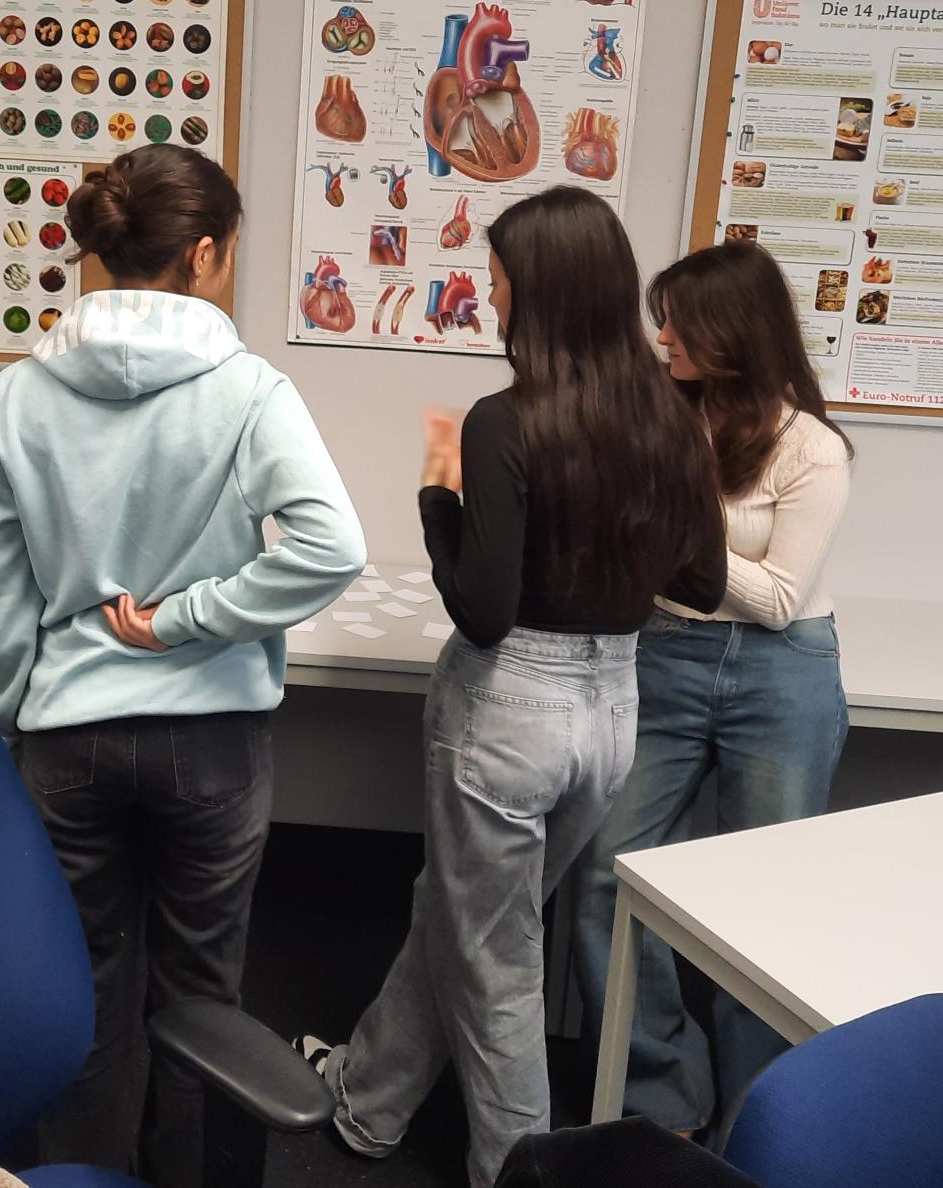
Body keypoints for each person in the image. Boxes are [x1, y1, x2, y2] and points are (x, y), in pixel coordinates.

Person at [301, 186, 727, 1188]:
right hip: (610, 714)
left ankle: (518, 1173)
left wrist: (435, 493)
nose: (487, 302)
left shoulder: (503, 422)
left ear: (534, 294)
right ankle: (367, 1103)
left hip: (507, 710)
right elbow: (701, 583)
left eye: (493, 283)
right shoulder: (668, 417)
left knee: (494, 964)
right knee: (461, 919)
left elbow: (480, 609)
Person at [0, 143, 365, 1186]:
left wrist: (17, 715)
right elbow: (332, 547)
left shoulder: (10, 399)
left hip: (66, 739)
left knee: (83, 990)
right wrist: (190, 619)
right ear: (204, 254)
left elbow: (1, 602)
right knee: (199, 999)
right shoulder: (248, 391)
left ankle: (82, 1181)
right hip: (210, 743)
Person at [572, 239, 855, 1137]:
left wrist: (667, 532)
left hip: (782, 672)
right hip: (664, 654)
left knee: (760, 903)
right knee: (603, 872)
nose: (662, 336)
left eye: (679, 320)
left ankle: (758, 1118)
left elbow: (775, 600)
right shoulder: (661, 417)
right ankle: (662, 1096)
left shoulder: (812, 447)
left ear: (734, 330)